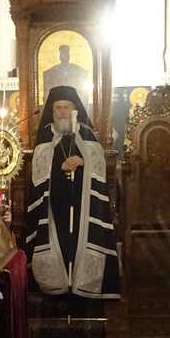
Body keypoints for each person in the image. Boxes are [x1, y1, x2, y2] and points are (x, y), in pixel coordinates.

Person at [25, 85, 119, 298]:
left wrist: (84, 161)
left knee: (79, 245)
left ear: (74, 109)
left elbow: (98, 165)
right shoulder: (46, 136)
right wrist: (58, 167)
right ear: (52, 110)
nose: (62, 112)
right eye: (58, 108)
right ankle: (57, 292)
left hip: (82, 207)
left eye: (66, 107)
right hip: (55, 207)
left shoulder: (86, 133)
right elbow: (39, 171)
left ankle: (81, 289)